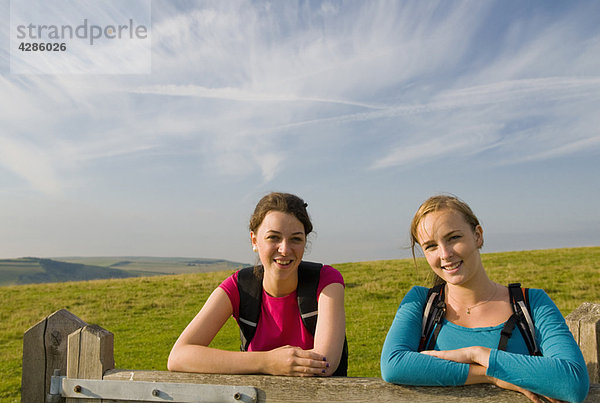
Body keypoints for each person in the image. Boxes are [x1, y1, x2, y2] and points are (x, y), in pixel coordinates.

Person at [380, 195, 589, 403]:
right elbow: (393, 364)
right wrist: (490, 375)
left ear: (477, 236)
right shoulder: (421, 302)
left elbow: (573, 381)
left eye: (453, 238)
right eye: (431, 246)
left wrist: (477, 354)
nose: (445, 254)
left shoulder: (532, 303)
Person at [168, 192, 346, 376]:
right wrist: (267, 362)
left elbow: (325, 364)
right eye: (273, 237)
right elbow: (178, 356)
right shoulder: (239, 286)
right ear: (254, 240)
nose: (284, 249)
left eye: (296, 239)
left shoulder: (326, 281)